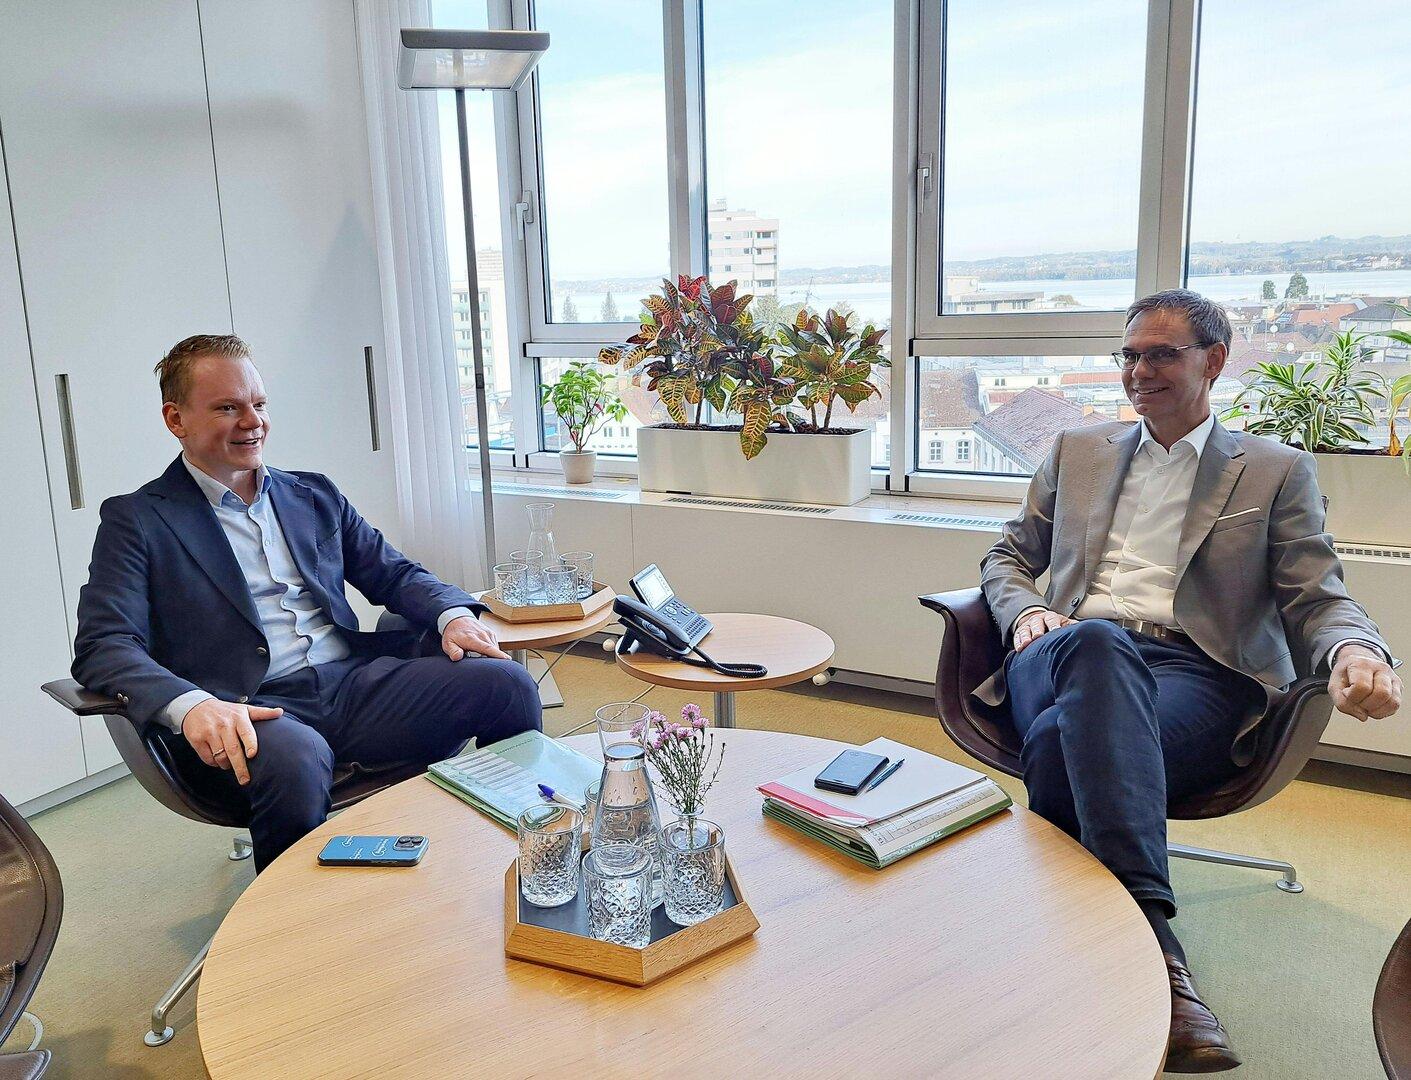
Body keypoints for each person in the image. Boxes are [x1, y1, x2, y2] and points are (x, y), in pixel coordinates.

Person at [978, 289, 1401, 1073]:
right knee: (1095, 646)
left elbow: (1317, 592)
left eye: (1161, 354)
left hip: (1195, 670)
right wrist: (1025, 614)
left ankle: (1083, 949)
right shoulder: (1076, 448)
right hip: (1062, 647)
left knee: (1057, 739)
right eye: (1129, 355)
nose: (1139, 371)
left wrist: (1353, 652)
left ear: (1213, 359)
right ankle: (1158, 952)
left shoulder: (1273, 471)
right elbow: (1006, 558)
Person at [73, 334, 540, 872]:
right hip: (246, 708)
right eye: (228, 407)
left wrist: (453, 615)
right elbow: (104, 645)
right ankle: (293, 937)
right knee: (298, 756)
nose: (252, 422)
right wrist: (193, 706)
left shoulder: (312, 495)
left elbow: (393, 572)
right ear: (175, 420)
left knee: (505, 684)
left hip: (350, 686)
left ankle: (526, 864)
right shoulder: (138, 520)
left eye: (259, 404)